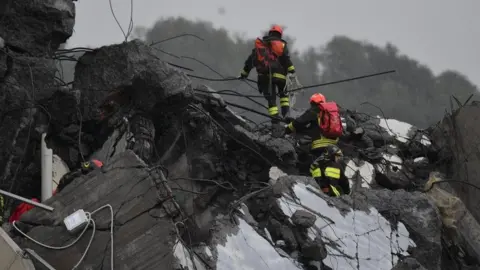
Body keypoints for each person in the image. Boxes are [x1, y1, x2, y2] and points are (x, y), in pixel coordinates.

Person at [284, 93, 350, 196]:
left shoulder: (315, 110)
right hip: (334, 147)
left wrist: (287, 129)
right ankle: (336, 191)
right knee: (334, 169)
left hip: (319, 146)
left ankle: (322, 191)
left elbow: (299, 122)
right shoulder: (333, 112)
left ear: (312, 103)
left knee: (317, 169)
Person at [239, 25, 296, 123]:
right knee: (284, 97)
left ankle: (275, 121)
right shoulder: (282, 45)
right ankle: (286, 117)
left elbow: (250, 61)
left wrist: (244, 74)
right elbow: (287, 60)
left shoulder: (261, 45)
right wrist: (292, 71)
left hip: (266, 77)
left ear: (270, 33)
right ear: (280, 35)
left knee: (271, 99)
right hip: (282, 78)